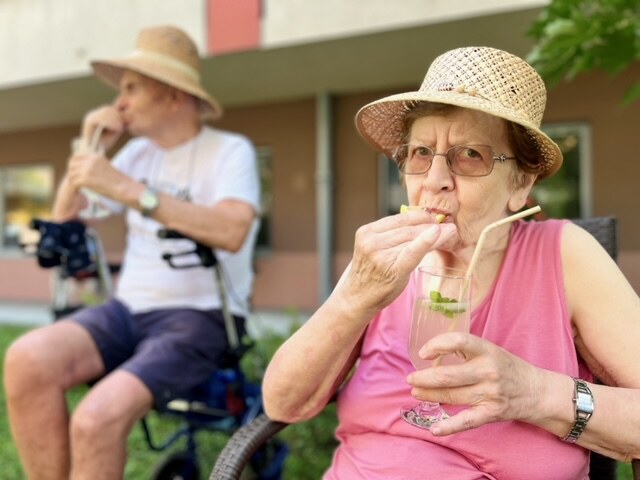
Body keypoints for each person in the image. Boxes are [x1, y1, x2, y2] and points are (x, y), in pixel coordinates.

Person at [262, 46, 640, 479]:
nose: (434, 180)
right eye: (421, 153)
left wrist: (533, 392)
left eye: (470, 155)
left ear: (520, 183)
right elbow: (282, 404)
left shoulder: (564, 253)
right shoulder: (384, 262)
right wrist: (353, 298)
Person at [4, 25, 261, 479]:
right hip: (128, 309)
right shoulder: (137, 153)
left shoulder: (229, 151)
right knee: (26, 360)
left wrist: (128, 189)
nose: (118, 102)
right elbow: (64, 221)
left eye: (131, 88)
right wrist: (92, 147)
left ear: (173, 96)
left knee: (95, 418)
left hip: (201, 315)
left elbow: (232, 229)